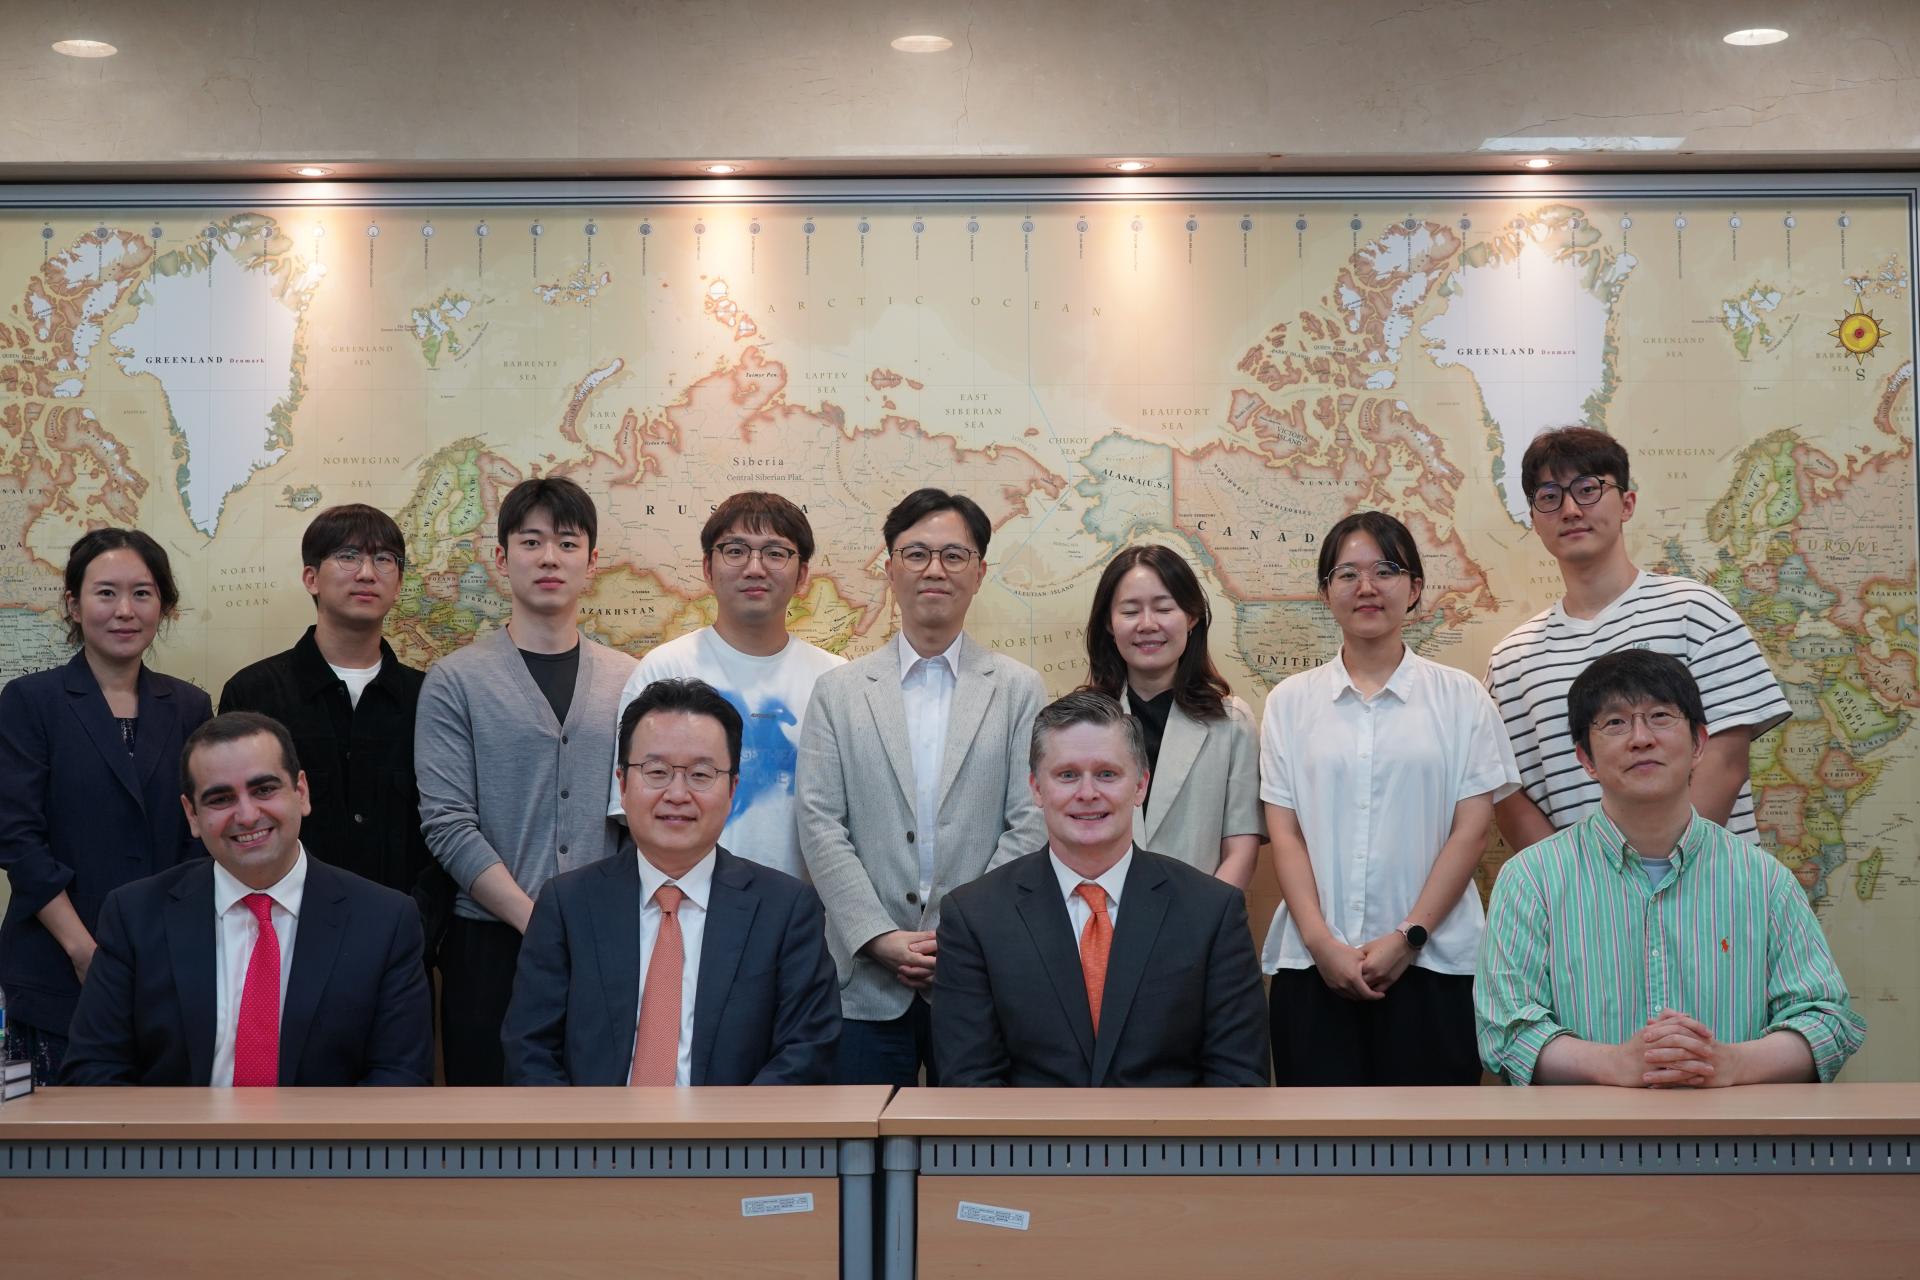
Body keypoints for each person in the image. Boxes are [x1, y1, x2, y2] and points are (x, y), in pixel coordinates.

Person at [1476, 650, 1865, 1086]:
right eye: (1615, 722)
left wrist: (1730, 1063)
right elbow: (1506, 1031)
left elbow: (1825, 1020)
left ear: (1698, 743)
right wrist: (1614, 1064)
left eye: (1660, 716)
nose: (1641, 738)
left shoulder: (1764, 880)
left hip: (1731, 1128)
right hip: (1589, 1129)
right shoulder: (1531, 880)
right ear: (1586, 758)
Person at [797, 488, 1046, 1086]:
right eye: (916, 554)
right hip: (863, 983)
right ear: (890, 568)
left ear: (979, 573)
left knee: (973, 1141)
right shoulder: (838, 692)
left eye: (954, 555)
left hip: (979, 978)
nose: (935, 569)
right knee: (865, 1141)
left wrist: (960, 937)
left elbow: (1031, 822)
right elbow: (819, 822)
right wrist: (877, 935)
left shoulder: (1019, 691)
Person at [1260, 512, 1520, 1086]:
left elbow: (1472, 831)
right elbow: (1286, 834)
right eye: (1347, 574)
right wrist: (1322, 944)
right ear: (1326, 592)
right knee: (1317, 1138)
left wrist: (1409, 938)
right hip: (1313, 969)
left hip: (1435, 966)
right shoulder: (1289, 703)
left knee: (1434, 1139)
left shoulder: (1462, 699)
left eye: (1385, 570)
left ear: (1415, 587)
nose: (1367, 587)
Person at [62, 712, 433, 1086]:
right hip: (176, 1126)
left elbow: (400, 1081)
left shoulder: (385, 922)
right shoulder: (134, 916)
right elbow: (93, 1071)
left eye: (264, 790)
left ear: (301, 792)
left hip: (326, 1127)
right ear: (192, 815)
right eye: (220, 799)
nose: (247, 815)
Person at [505, 678, 839, 1085]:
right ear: (622, 785)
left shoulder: (786, 910)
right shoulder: (567, 904)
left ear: (732, 789)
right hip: (594, 1126)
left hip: (735, 1126)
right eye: (657, 772)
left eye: (701, 774)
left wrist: (729, 1127)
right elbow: (530, 1052)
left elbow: (805, 1052)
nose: (677, 794)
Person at [416, 476, 637, 1085]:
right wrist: (533, 916)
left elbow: (637, 817)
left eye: (567, 543)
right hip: (487, 942)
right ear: (501, 558)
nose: (548, 558)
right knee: (491, 1115)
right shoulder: (454, 681)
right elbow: (447, 822)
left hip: (605, 936)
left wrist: (590, 918)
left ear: (592, 562)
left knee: (603, 1108)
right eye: (531, 542)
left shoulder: (630, 679)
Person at [932, 690, 1269, 1086]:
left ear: (1140, 786)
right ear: (1036, 789)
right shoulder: (974, 917)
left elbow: (1237, 1077)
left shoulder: (1212, 911)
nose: (1088, 793)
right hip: (1028, 1129)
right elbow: (969, 1083)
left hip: (1172, 1129)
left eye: (1107, 774)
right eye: (1067, 775)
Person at [1488, 426, 1791, 852]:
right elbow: (1510, 796)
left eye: (1588, 490)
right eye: (1550, 496)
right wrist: (1572, 881)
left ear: (1627, 503)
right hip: (1583, 892)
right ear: (1534, 520)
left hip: (1706, 885)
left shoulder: (1697, 612)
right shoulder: (1510, 661)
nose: (1570, 510)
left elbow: (1725, 762)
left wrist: (1660, 873)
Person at [0, 529, 212, 1084]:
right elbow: (18, 841)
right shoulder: (30, 701)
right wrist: (84, 951)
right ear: (74, 604)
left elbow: (200, 835)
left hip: (166, 964)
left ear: (163, 606)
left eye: (142, 593)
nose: (124, 611)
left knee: (161, 1130)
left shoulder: (190, 706)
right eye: (106, 593)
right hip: (54, 964)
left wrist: (163, 948)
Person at [218, 504, 454, 957]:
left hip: (402, 945)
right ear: (311, 578)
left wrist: (416, 931)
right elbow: (234, 821)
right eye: (348, 556)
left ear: (399, 583)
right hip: (280, 944)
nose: (367, 572)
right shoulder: (255, 692)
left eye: (384, 559)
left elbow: (446, 828)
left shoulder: (430, 697)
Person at [607, 492, 845, 879]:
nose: (754, 568)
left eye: (775, 553)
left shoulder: (835, 680)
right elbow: (634, 812)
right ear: (708, 567)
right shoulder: (664, 669)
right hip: (690, 904)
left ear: (802, 575)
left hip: (806, 907)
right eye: (735, 551)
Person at [1083, 544, 1262, 885]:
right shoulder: (1077, 724)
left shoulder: (1231, 722)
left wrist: (1205, 915)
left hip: (1199, 914)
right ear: (1109, 623)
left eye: (1164, 608)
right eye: (1130, 611)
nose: (1147, 624)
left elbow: (1241, 849)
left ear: (1192, 617)